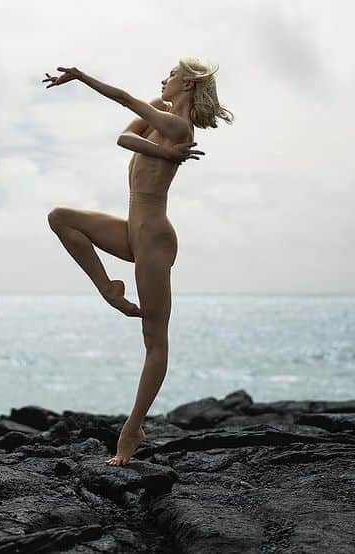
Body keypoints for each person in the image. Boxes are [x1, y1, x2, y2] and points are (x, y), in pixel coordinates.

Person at [43, 58, 234, 466]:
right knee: (60, 218)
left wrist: (81, 76)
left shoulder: (180, 128)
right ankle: (108, 288)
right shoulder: (162, 119)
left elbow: (123, 99)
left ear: (186, 85)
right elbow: (123, 140)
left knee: (154, 339)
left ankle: (132, 428)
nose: (163, 80)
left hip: (153, 236)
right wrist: (167, 154)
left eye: (170, 76)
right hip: (133, 225)